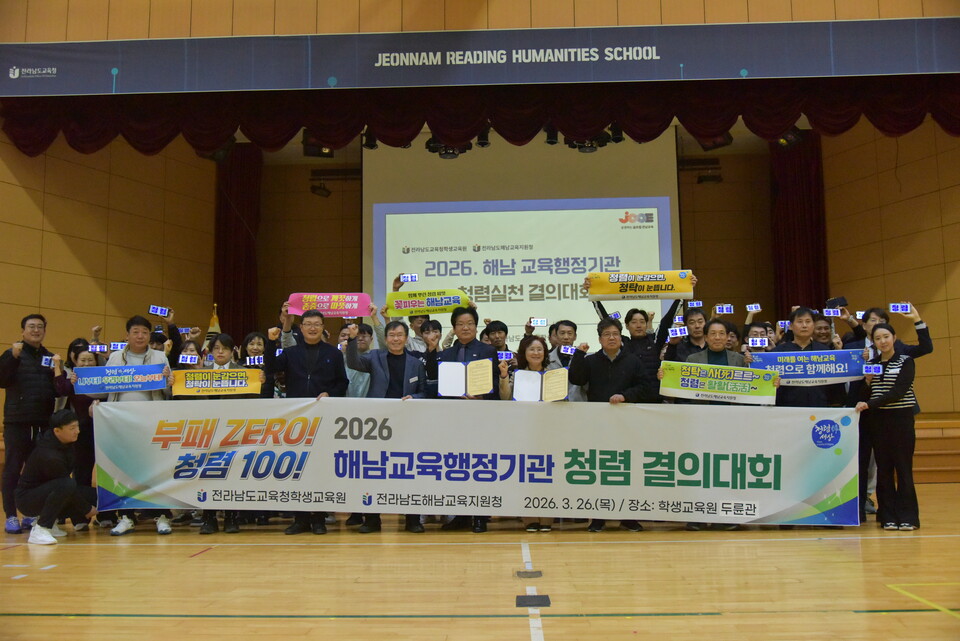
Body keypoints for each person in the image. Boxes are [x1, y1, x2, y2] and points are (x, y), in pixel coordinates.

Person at [661, 318, 751, 531]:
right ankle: (698, 515)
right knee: (701, 470)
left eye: (722, 334)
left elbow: (754, 387)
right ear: (706, 337)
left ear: (728, 337)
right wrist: (665, 377)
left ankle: (726, 515)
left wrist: (769, 380)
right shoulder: (693, 359)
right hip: (702, 422)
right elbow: (680, 386)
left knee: (726, 469)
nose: (718, 337)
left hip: (731, 423)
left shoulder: (739, 360)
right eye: (713, 334)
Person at [568, 317, 650, 533]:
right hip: (598, 425)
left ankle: (629, 516)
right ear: (600, 339)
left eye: (615, 334)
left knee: (626, 470)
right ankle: (598, 517)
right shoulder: (591, 361)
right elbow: (576, 379)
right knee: (600, 470)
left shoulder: (633, 361)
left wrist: (625, 396)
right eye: (606, 335)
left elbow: (645, 387)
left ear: (621, 337)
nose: (611, 338)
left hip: (627, 425)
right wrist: (579, 355)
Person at [344, 320, 427, 534]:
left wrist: (415, 397)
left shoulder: (416, 363)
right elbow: (353, 362)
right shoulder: (375, 357)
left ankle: (412, 519)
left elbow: (424, 391)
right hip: (378, 423)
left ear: (406, 338)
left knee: (410, 470)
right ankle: (372, 519)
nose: (396, 339)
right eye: (392, 335)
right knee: (374, 471)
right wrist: (352, 339)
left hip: (407, 423)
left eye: (400, 335)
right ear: (386, 338)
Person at [271, 309, 349, 535]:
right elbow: (271, 367)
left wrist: (329, 394)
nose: (312, 328)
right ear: (301, 327)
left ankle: (319, 518)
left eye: (317, 324)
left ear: (323, 327)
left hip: (324, 419)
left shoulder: (333, 354)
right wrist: (272, 342)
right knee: (298, 468)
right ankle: (300, 518)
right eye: (308, 324)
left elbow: (342, 383)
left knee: (321, 468)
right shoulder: (291, 353)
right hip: (297, 420)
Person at [99, 315, 173, 536]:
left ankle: (161, 515)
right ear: (127, 335)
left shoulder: (160, 356)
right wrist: (79, 384)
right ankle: (126, 516)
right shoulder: (115, 358)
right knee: (124, 470)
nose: (140, 336)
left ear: (149, 336)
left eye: (144, 332)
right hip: (120, 422)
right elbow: (101, 387)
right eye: (136, 332)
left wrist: (169, 382)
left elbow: (168, 392)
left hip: (152, 420)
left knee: (155, 469)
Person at [438, 306, 499, 533]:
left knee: (479, 466)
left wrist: (482, 396)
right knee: (459, 466)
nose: (466, 328)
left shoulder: (487, 350)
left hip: (480, 417)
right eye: (461, 324)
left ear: (476, 326)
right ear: (454, 328)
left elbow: (494, 382)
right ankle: (461, 515)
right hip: (454, 419)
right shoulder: (446, 354)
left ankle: (480, 516)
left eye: (470, 323)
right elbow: (441, 387)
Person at [855, 323, 920, 531]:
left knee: (903, 468)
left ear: (894, 337)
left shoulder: (905, 361)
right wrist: (867, 382)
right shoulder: (872, 364)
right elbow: (864, 394)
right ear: (873, 342)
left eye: (886, 336)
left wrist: (870, 403)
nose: (882, 341)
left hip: (901, 419)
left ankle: (908, 517)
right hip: (878, 421)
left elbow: (899, 391)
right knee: (884, 469)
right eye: (877, 338)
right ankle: (887, 516)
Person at [0, 314, 58, 534]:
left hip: (43, 422)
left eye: (40, 327)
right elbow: (2, 380)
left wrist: (60, 372)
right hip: (17, 421)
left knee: (37, 472)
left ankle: (30, 514)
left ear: (45, 331)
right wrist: (12, 358)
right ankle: (11, 515)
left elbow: (57, 390)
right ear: (23, 331)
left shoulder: (50, 358)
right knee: (12, 469)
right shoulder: (12, 354)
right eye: (31, 326)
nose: (36, 330)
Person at [498, 335, 556, 533]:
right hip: (523, 430)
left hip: (548, 431)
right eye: (532, 349)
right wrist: (504, 377)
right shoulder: (518, 375)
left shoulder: (553, 375)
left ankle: (547, 518)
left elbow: (562, 403)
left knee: (548, 474)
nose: (536, 353)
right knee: (526, 474)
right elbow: (506, 398)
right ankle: (529, 518)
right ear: (524, 353)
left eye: (540, 349)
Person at [15, 409, 98, 545]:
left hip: (49, 491)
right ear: (57, 431)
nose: (77, 431)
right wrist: (86, 509)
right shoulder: (49, 455)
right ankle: (41, 528)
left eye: (77, 427)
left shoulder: (67, 442)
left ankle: (51, 522)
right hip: (28, 500)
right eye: (72, 428)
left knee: (94, 496)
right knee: (67, 484)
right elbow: (66, 487)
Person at [545, 320, 587, 402]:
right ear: (556, 336)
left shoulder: (584, 358)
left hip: (578, 404)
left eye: (570, 333)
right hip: (554, 405)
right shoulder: (547, 359)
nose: (566, 337)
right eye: (562, 333)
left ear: (575, 336)